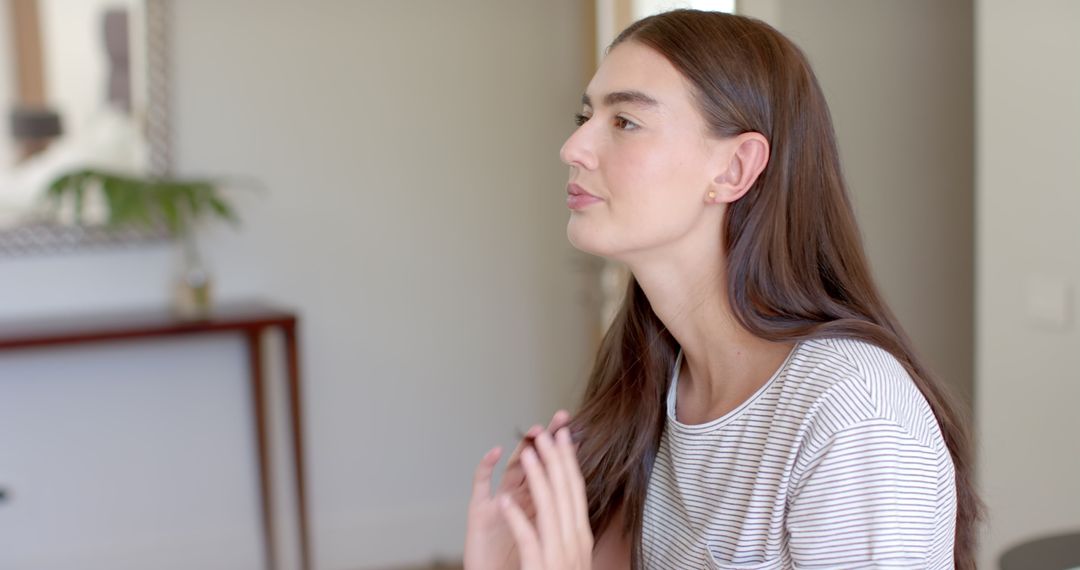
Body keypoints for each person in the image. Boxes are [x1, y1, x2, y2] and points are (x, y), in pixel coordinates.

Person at [465, 9, 980, 570]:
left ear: (735, 168)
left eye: (625, 122)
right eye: (586, 115)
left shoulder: (852, 413)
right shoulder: (645, 387)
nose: (573, 147)